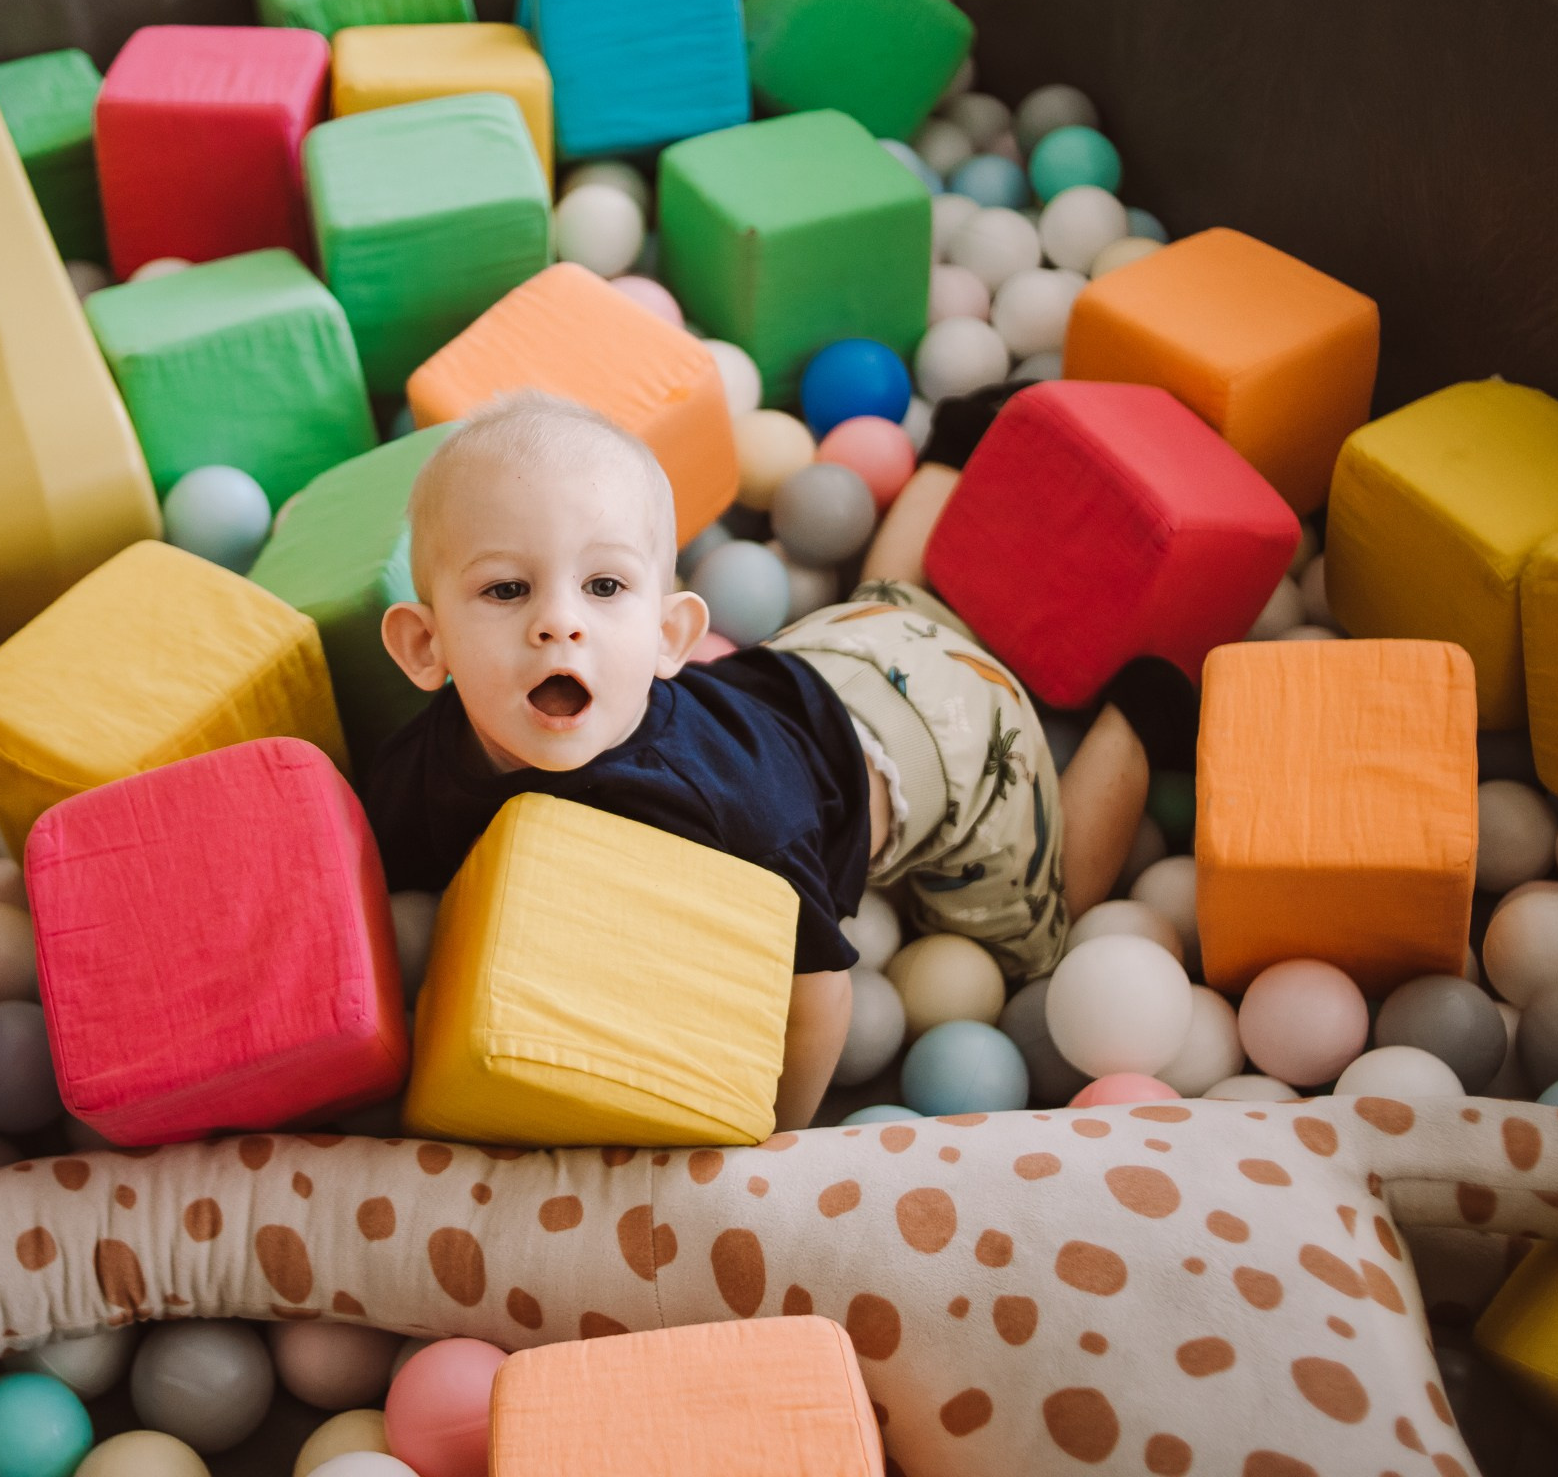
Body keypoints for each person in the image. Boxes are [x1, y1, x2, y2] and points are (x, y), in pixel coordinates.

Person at [363, 393, 1148, 1130]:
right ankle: (949, 453)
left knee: (1045, 927)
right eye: (506, 590)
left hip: (955, 744)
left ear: (670, 636)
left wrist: (779, 1135)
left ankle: (1149, 711)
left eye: (604, 585)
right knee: (891, 600)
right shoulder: (425, 758)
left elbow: (820, 1000)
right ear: (425, 647)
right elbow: (375, 868)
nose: (559, 623)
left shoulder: (719, 814)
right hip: (839, 646)